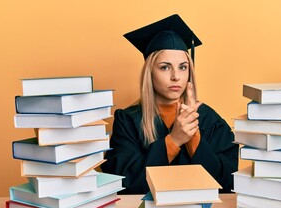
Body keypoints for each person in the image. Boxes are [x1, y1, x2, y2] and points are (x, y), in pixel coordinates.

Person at [101, 14, 239, 194]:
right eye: (165, 67)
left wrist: (194, 138)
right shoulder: (128, 120)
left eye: (183, 67)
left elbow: (228, 181)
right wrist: (174, 140)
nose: (176, 76)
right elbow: (124, 183)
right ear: (150, 72)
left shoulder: (207, 118)